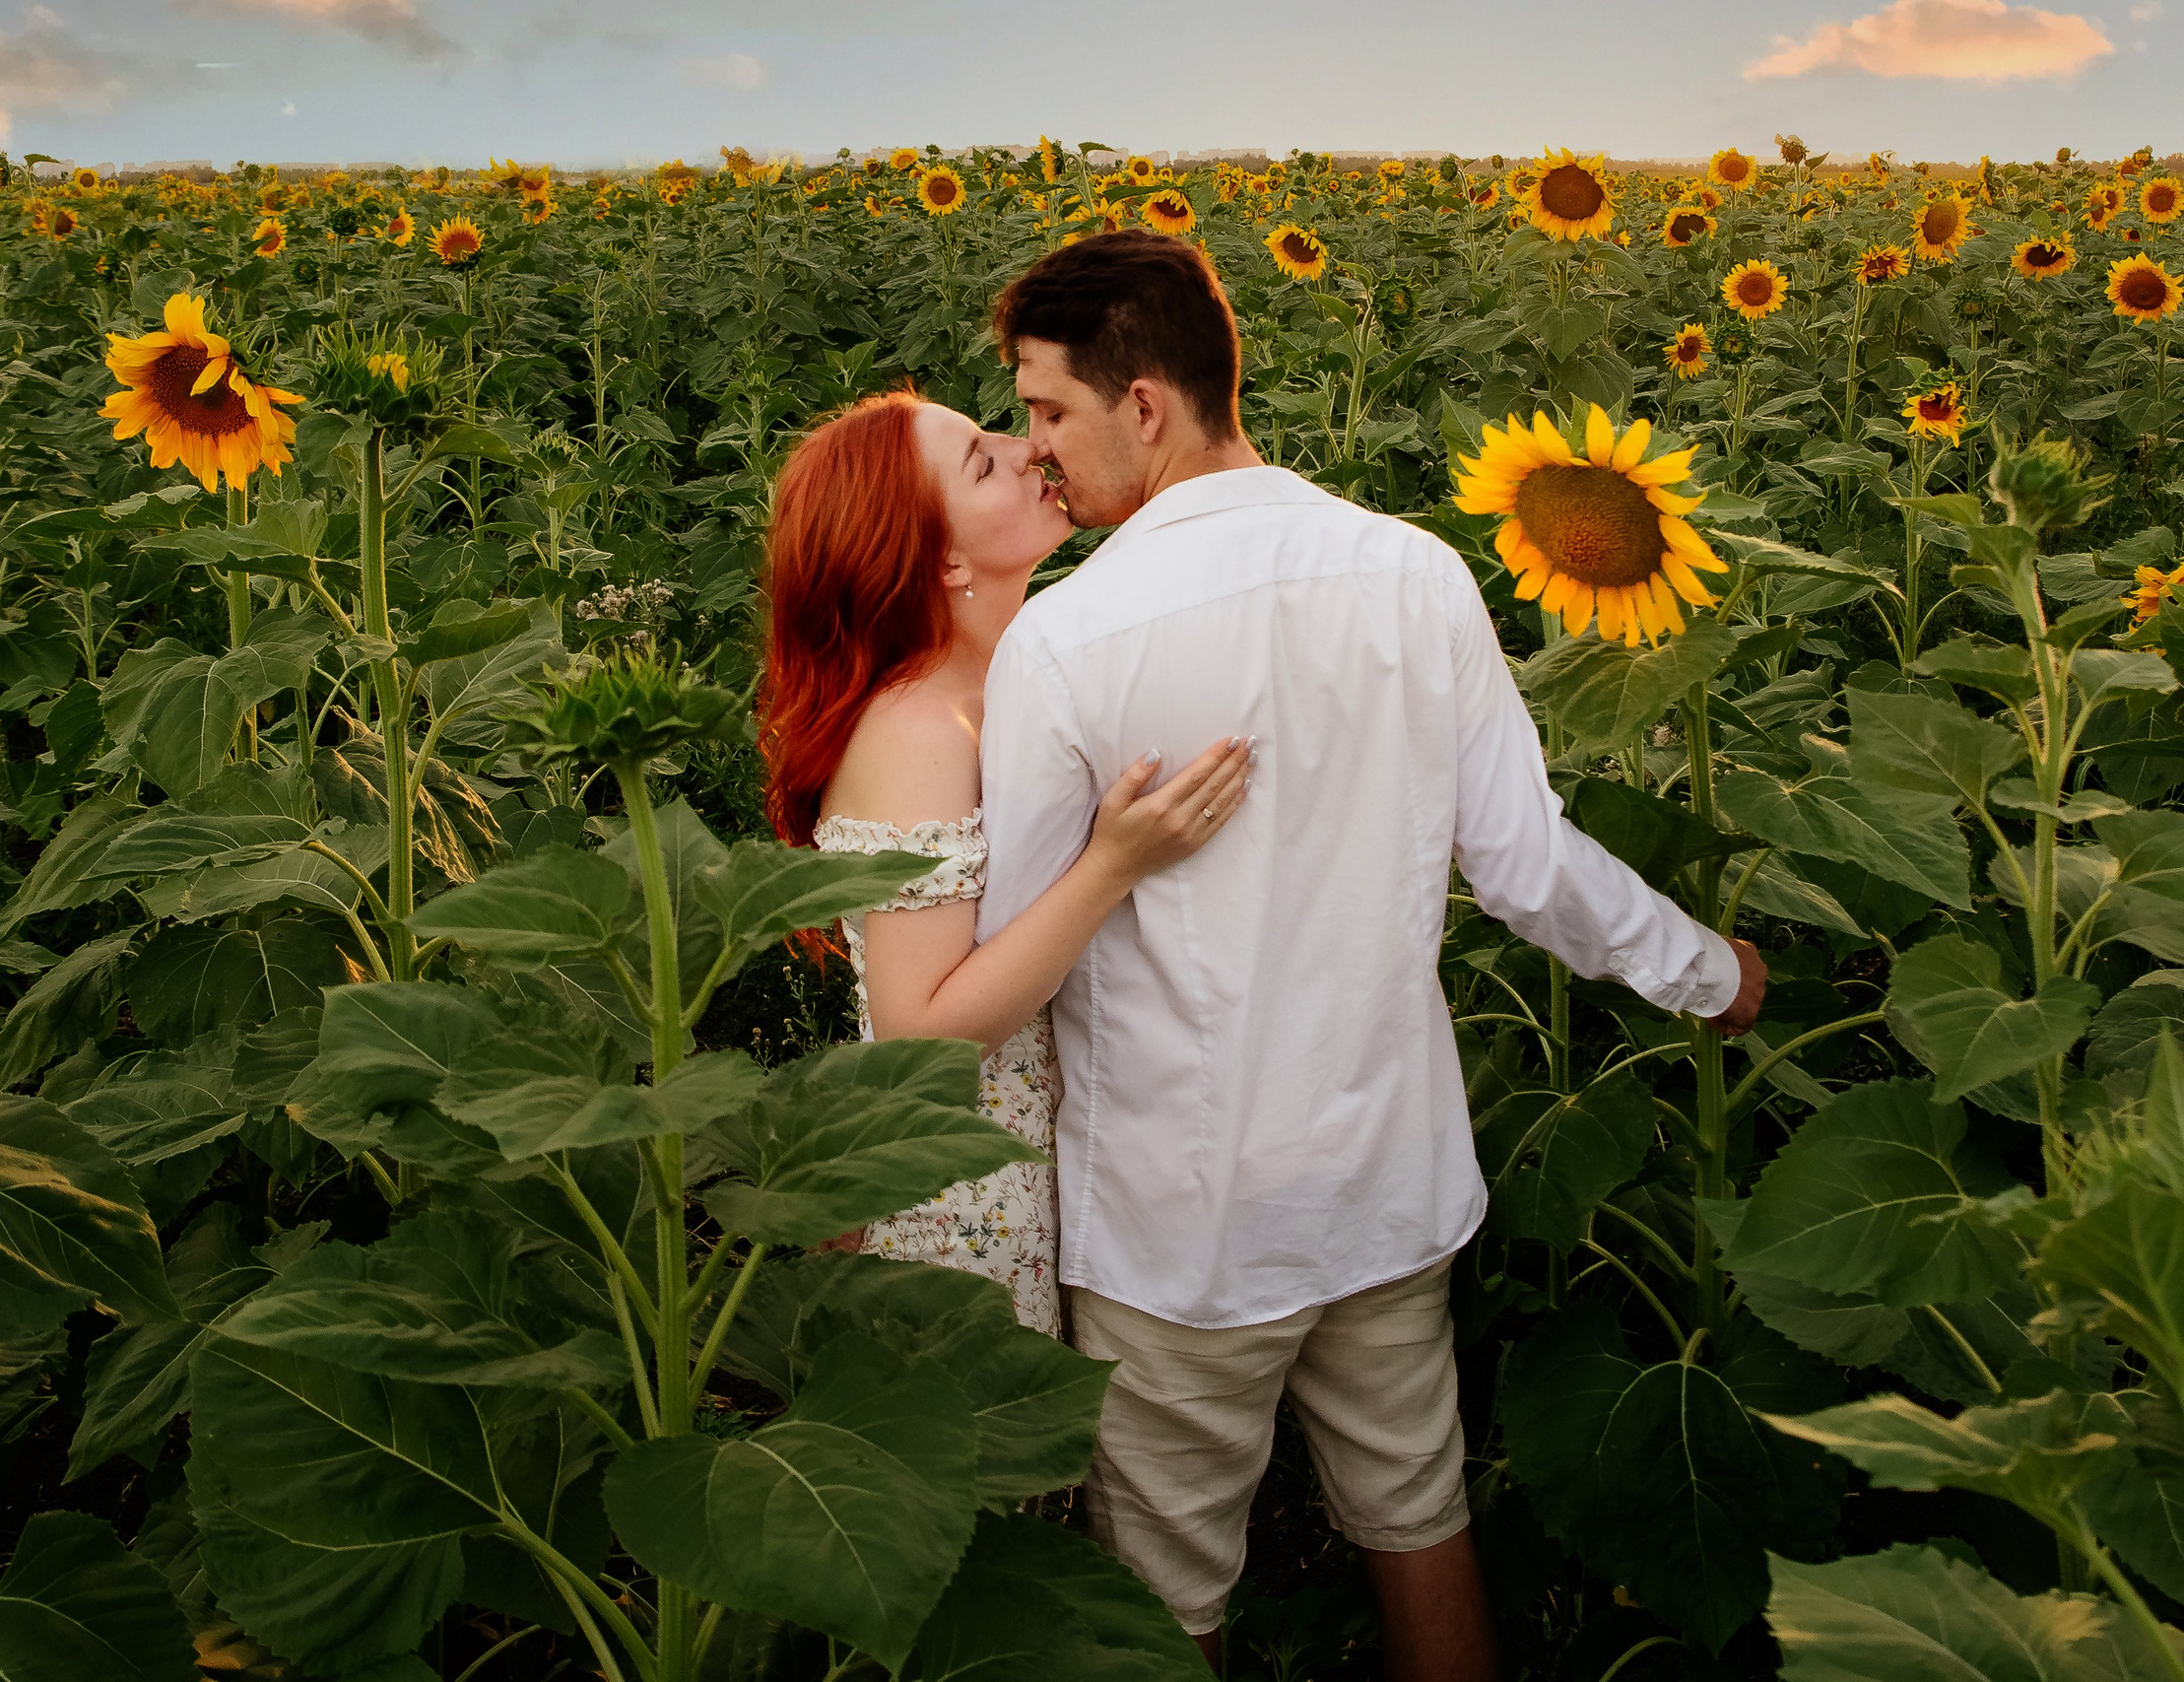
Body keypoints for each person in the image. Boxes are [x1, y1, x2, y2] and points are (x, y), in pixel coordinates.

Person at [974, 232, 1767, 1681]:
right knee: (1420, 1519)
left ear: (1144, 403)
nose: (1036, 452)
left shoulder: (1069, 636)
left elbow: (1017, 957)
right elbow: (1527, 862)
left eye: (1044, 410)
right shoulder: (1412, 571)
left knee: (1157, 1602)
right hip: (1387, 1183)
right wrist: (1707, 969)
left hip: (1178, 1221)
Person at [757, 388, 1252, 1337]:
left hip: (1044, 1160)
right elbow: (917, 1035)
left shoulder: (1005, 677)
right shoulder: (916, 731)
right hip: (959, 1199)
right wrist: (1113, 864)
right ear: (941, 557)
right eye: (982, 461)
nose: (1027, 450)